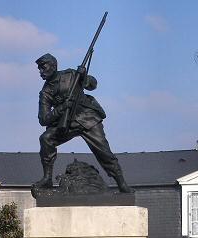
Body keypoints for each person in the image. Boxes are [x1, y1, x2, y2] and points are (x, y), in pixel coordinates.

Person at [34, 53, 133, 193]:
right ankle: (47, 178)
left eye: (43, 67)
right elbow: (43, 119)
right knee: (46, 139)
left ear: (54, 66)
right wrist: (62, 108)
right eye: (39, 69)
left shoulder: (71, 75)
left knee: (104, 152)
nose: (41, 72)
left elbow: (93, 84)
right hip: (66, 123)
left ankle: (122, 183)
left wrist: (84, 77)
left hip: (87, 117)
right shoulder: (45, 92)